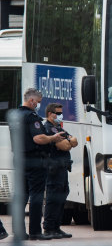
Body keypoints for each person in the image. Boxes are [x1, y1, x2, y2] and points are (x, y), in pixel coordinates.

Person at [8, 88, 65, 240]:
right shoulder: (32, 116)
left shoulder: (15, 115)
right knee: (36, 196)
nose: (39, 105)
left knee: (21, 196)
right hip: (34, 160)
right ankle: (35, 232)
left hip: (19, 159)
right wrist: (53, 137)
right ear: (32, 100)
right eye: (38, 102)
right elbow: (38, 138)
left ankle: (19, 232)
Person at [43, 103, 78, 239]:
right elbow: (65, 146)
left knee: (62, 197)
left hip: (62, 169)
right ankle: (49, 228)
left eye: (60, 113)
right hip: (53, 170)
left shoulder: (58, 128)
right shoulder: (48, 128)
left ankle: (56, 228)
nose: (60, 115)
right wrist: (68, 142)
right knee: (53, 199)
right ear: (49, 114)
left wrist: (69, 142)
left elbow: (74, 141)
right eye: (57, 113)